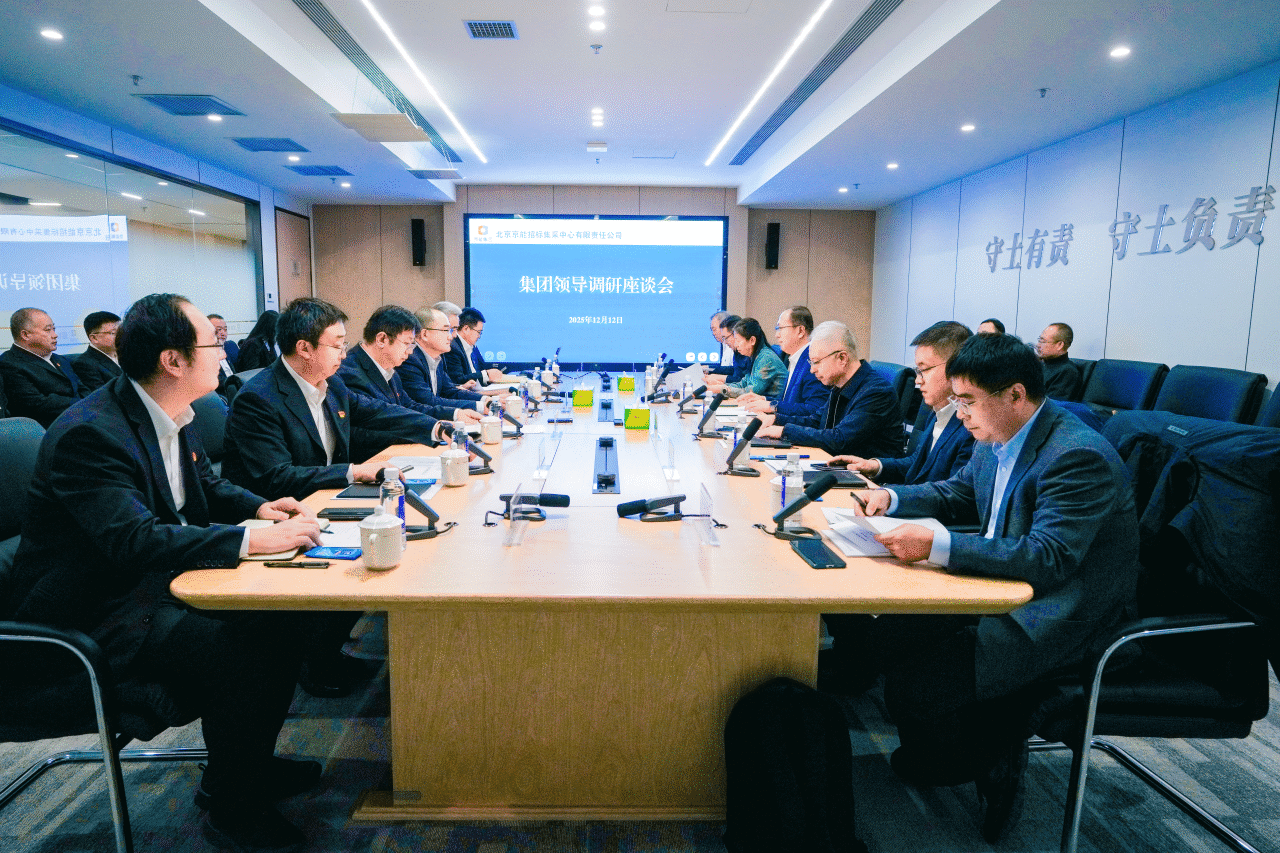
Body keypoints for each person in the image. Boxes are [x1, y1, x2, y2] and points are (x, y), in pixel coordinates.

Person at [4, 293, 326, 852]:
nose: (224, 350)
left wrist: (259, 507)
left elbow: (204, 487)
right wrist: (252, 539)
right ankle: (232, 804)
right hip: (93, 616)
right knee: (244, 647)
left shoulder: (173, 409)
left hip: (152, 587)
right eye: (212, 342)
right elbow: (134, 540)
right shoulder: (91, 433)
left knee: (283, 617)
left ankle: (243, 767)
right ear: (173, 360)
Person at [851, 332, 1139, 842]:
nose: (959, 412)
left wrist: (938, 546)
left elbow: (1050, 558)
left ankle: (994, 753)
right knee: (888, 640)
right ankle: (956, 743)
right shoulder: (998, 434)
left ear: (1015, 394)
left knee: (921, 683)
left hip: (1058, 613)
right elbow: (960, 492)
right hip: (1002, 588)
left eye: (967, 400)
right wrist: (891, 499)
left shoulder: (1077, 456)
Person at [222, 297, 451, 502]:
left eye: (344, 345)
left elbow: (377, 411)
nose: (343, 354)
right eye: (337, 346)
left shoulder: (332, 384)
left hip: (329, 496)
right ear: (304, 348)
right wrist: (354, 472)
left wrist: (436, 428)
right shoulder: (257, 399)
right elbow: (278, 477)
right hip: (283, 513)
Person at [829, 321, 976, 484]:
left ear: (955, 368)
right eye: (917, 371)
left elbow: (951, 492)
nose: (918, 380)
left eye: (924, 369)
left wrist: (890, 494)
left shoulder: (971, 428)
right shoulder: (937, 411)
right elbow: (917, 464)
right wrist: (874, 466)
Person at [753, 321, 903, 458]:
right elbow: (817, 421)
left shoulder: (876, 392)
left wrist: (783, 431)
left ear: (842, 358)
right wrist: (776, 419)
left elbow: (840, 439)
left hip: (864, 476)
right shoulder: (840, 384)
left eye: (816, 362)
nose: (812, 370)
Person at [337, 304, 481, 424]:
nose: (410, 351)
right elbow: (380, 424)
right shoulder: (351, 373)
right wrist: (435, 429)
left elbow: (409, 406)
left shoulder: (390, 369)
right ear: (381, 339)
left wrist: (455, 414)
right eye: (407, 344)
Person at [736, 306, 826, 419]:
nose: (777, 335)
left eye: (780, 328)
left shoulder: (812, 361)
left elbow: (814, 409)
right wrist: (765, 400)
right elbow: (790, 402)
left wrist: (773, 406)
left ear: (800, 331)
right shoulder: (796, 357)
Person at [0, 307, 85, 426]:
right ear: (25, 335)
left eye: (54, 329)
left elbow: (81, 388)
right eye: (48, 330)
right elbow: (37, 404)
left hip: (82, 418)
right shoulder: (9, 363)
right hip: (49, 427)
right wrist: (84, 405)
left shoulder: (59, 359)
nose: (55, 335)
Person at [397, 306, 487, 414]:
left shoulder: (437, 358)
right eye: (446, 330)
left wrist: (485, 400)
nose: (451, 336)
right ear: (425, 334)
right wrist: (480, 406)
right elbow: (428, 401)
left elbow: (450, 391)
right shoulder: (410, 360)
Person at [706, 317, 786, 399]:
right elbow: (743, 383)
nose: (736, 345)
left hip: (774, 405)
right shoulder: (755, 357)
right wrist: (723, 386)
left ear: (752, 340)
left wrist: (723, 389)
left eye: (738, 341)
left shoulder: (766, 358)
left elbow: (751, 392)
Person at [444, 306, 503, 389]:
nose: (479, 336)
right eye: (478, 332)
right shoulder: (452, 348)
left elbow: (483, 368)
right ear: (466, 329)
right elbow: (458, 380)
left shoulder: (472, 346)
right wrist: (486, 374)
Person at [72, 310, 123, 392]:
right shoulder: (84, 364)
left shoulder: (127, 354)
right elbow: (103, 395)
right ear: (94, 338)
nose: (121, 336)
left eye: (121, 331)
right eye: (114, 333)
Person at [1036, 322, 1082, 400]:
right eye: (1039, 340)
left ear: (1059, 345)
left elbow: (1051, 404)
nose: (1038, 345)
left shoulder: (1067, 372)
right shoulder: (1040, 364)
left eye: (1043, 341)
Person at [706, 312, 750, 383]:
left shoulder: (746, 352)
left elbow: (744, 382)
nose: (725, 342)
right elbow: (734, 370)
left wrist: (721, 380)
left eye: (726, 338)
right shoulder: (736, 351)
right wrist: (710, 370)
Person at [208, 313, 240, 389]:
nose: (223, 333)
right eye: (219, 329)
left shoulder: (227, 348)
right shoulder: (203, 354)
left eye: (225, 330)